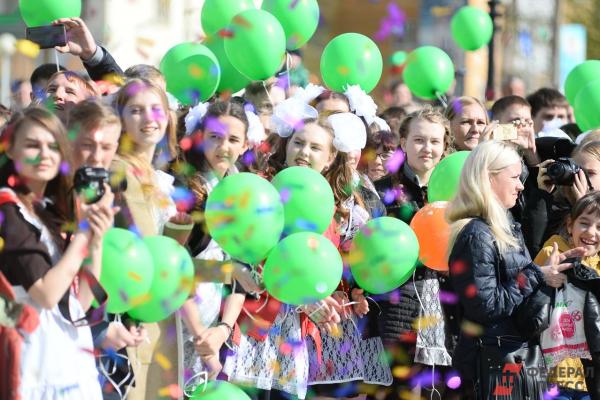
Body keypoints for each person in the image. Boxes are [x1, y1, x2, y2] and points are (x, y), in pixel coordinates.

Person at [447, 140, 584, 399]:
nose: (521, 186)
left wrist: (546, 272)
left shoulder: (504, 225)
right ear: (488, 179)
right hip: (494, 361)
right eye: (514, 178)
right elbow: (486, 306)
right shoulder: (477, 235)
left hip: (514, 356)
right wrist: (537, 274)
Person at [0, 107, 115, 399]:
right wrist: (84, 232)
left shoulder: (47, 210)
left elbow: (81, 302)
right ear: (10, 149)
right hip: (35, 364)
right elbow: (46, 294)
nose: (44, 155)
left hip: (71, 360)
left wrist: (96, 238)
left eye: (53, 146)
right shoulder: (7, 211)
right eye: (32, 145)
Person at [373, 108, 455, 400]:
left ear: (445, 146)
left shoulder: (458, 193)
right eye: (419, 140)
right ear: (403, 143)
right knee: (397, 390)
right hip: (397, 306)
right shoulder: (382, 191)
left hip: (447, 305)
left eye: (435, 141)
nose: (427, 148)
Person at [68, 99, 147, 399]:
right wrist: (99, 331)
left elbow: (128, 264)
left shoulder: (112, 194)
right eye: (88, 145)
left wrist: (131, 320)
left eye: (107, 147)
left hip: (103, 352)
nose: (97, 157)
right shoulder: (52, 196)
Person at [111, 78, 179, 400]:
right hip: (129, 322)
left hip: (158, 315)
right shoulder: (118, 172)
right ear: (121, 120)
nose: (148, 118)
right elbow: (139, 255)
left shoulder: (156, 176)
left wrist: (230, 273)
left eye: (156, 109)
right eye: (136, 110)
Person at [534, 192, 600, 400]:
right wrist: (544, 279)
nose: (591, 232)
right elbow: (529, 302)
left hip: (591, 380)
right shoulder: (552, 255)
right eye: (584, 223)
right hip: (553, 376)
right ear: (570, 225)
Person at [539, 140, 600, 245]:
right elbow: (533, 245)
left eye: (589, 173)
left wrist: (583, 207)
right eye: (576, 170)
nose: (579, 177)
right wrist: (542, 195)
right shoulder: (559, 208)